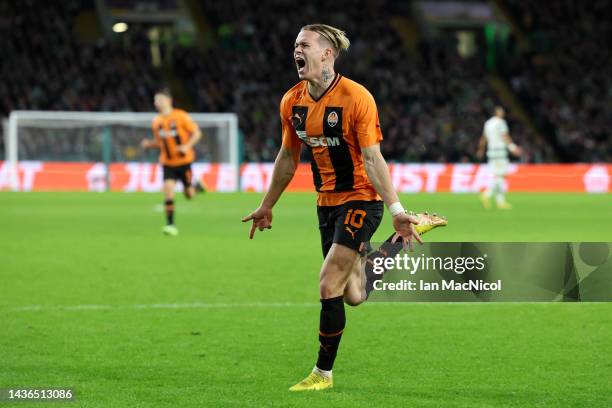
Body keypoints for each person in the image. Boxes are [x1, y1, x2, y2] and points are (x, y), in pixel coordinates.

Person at [242, 24, 444, 391]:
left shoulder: (357, 98)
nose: (296, 51)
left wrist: (396, 208)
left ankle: (322, 373)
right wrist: (266, 205)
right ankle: (405, 238)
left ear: (327, 55)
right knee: (353, 294)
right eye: (294, 46)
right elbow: (288, 157)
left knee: (327, 282)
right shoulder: (292, 102)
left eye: (304, 45)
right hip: (326, 204)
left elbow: (372, 158)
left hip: (362, 200)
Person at [141, 88, 204, 235]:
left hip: (184, 162)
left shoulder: (180, 116)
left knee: (189, 195)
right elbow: (159, 142)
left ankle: (196, 187)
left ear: (168, 101)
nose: (157, 103)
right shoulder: (156, 122)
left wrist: (187, 146)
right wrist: (149, 144)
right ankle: (170, 225)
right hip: (168, 163)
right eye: (155, 100)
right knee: (168, 192)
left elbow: (197, 133)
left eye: (159, 100)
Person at [477, 106, 522, 209]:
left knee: (498, 176)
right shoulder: (501, 122)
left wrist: (481, 149)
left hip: (491, 152)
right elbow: (504, 136)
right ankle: (487, 195)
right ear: (497, 113)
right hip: (500, 152)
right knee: (501, 176)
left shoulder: (487, 123)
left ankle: (500, 202)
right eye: (501, 112)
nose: (503, 113)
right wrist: (512, 147)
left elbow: (484, 137)